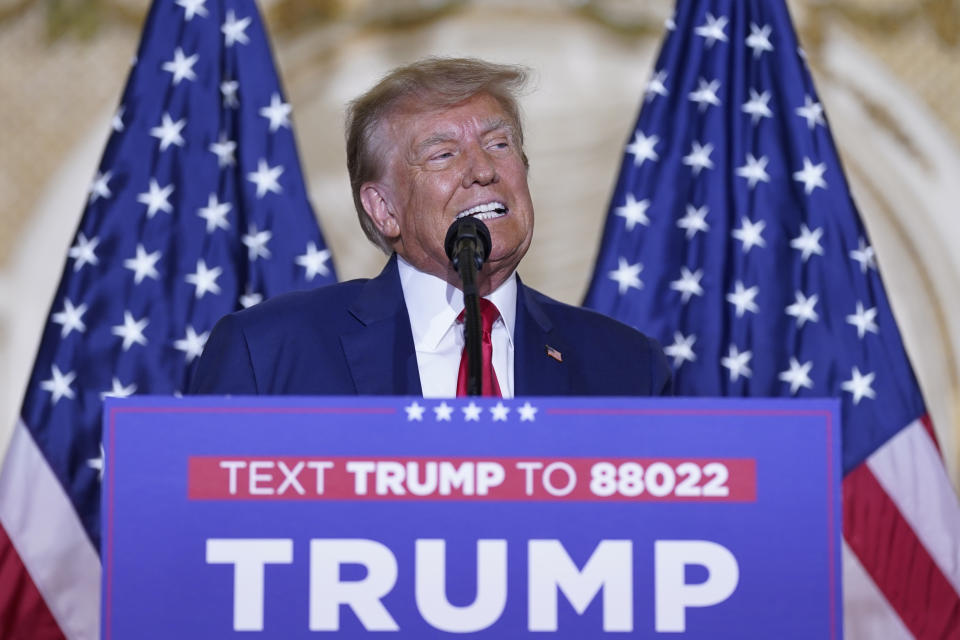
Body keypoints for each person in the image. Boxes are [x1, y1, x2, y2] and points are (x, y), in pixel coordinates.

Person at [189, 57, 671, 397]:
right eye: (443, 154)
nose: (483, 170)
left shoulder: (627, 366)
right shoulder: (269, 352)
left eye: (499, 145)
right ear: (383, 209)